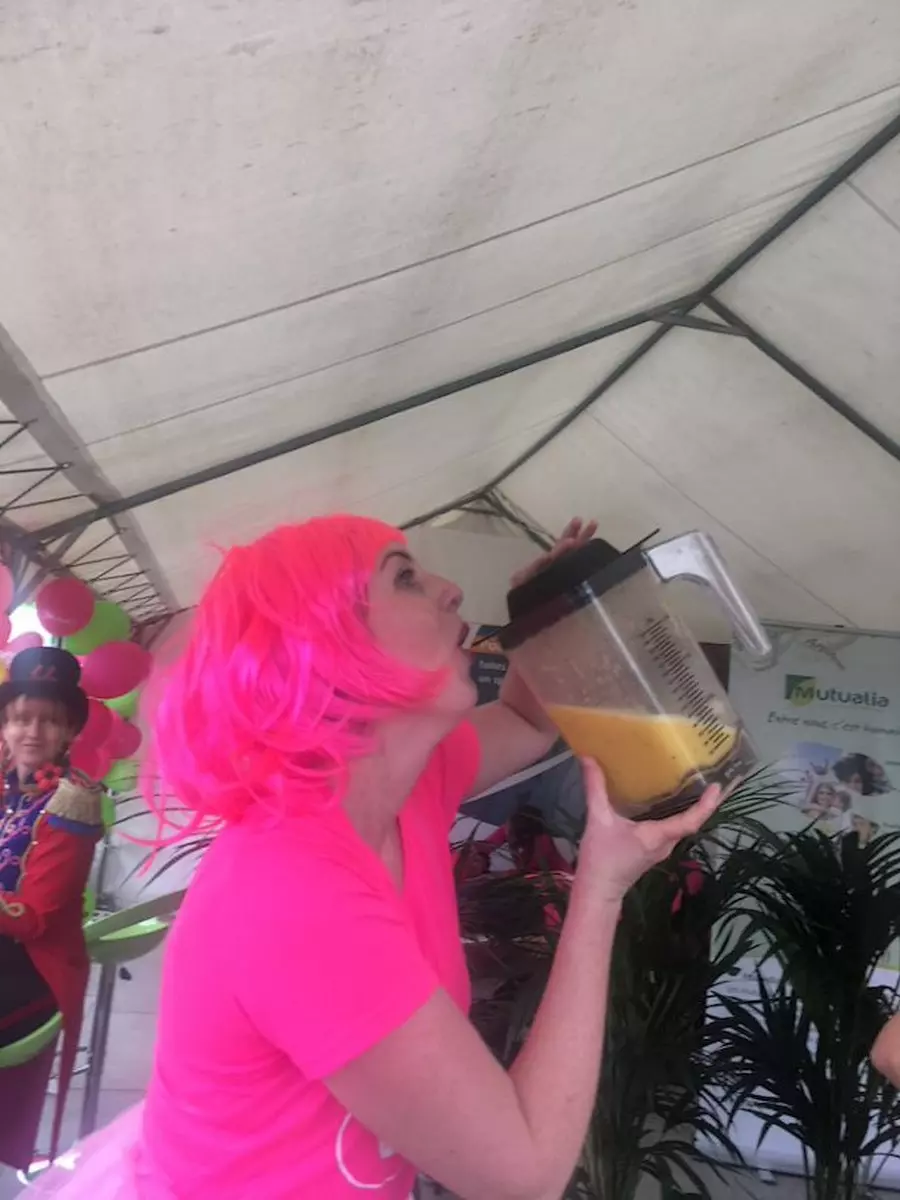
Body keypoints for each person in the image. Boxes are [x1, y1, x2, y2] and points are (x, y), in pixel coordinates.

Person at [25, 515, 722, 1200]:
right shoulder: (297, 897)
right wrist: (601, 888)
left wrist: (551, 615)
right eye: (406, 579)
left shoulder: (402, 787)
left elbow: (526, 720)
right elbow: (525, 1172)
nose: (451, 588)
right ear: (328, 651)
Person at [0, 646, 103, 1171]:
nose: (32, 732)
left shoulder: (72, 803)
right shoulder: (6, 788)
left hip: (31, 966)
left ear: (69, 733)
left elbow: (34, 918)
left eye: (48, 721)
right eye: (21, 718)